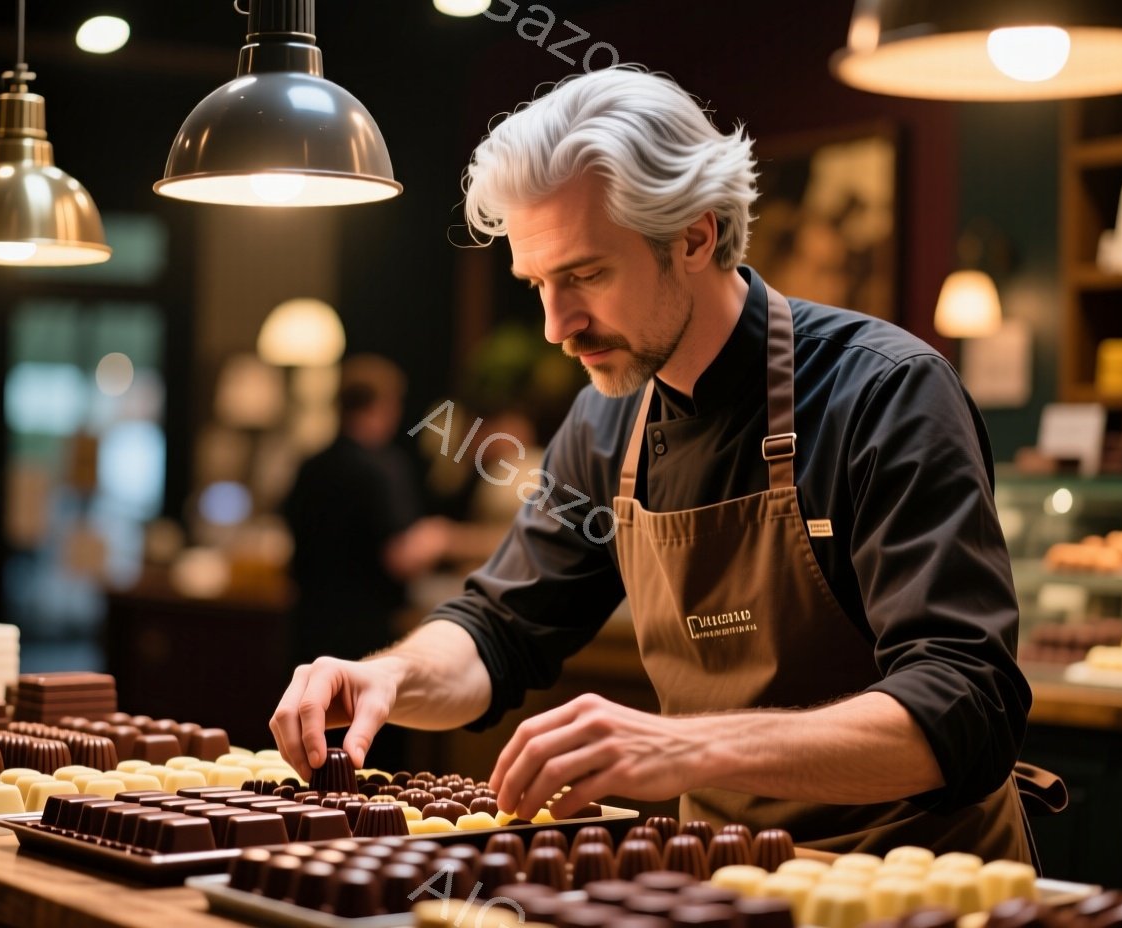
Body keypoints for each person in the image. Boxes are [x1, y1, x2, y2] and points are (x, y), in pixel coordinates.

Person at [271, 68, 1043, 859]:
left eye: (586, 275)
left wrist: (686, 748)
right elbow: (501, 630)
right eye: (537, 283)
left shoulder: (884, 392)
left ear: (696, 235)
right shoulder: (607, 420)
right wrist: (391, 679)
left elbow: (965, 705)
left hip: (920, 883)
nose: (555, 326)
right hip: (724, 878)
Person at [282, 354, 452, 667]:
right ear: (386, 405)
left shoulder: (310, 467)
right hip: (365, 637)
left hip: (306, 630)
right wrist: (439, 539)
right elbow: (400, 558)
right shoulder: (383, 468)